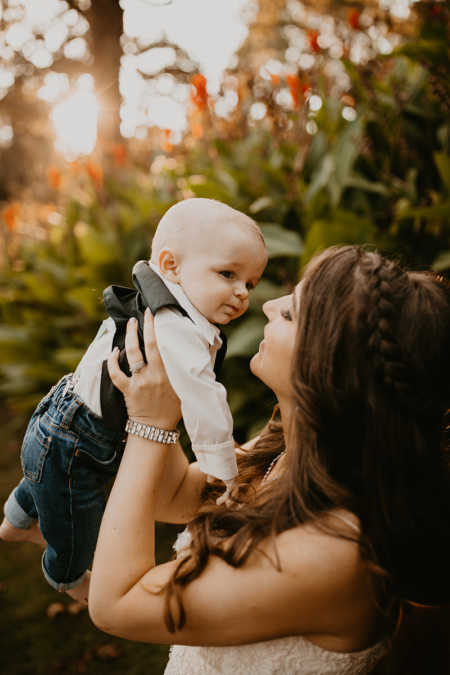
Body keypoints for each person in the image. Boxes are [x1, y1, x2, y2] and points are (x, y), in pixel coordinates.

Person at [87, 244, 450, 674]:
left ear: (329, 367)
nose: (271, 305)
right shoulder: (289, 446)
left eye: (292, 314)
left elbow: (118, 603)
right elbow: (177, 496)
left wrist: (151, 422)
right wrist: (173, 373)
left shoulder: (333, 549)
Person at [0, 198, 267, 606]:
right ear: (171, 266)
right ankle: (66, 577)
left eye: (249, 283)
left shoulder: (163, 306)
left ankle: (17, 519)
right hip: (78, 440)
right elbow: (204, 400)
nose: (240, 292)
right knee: (74, 521)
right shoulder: (177, 328)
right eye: (227, 273)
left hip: (61, 415)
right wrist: (224, 471)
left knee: (47, 480)